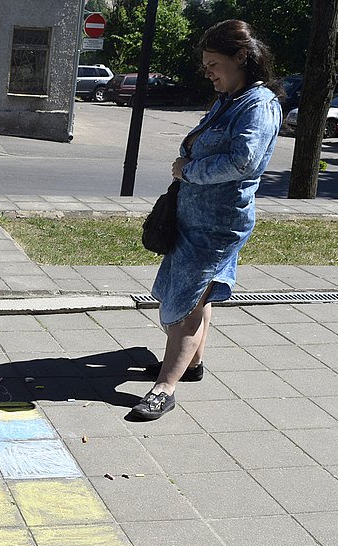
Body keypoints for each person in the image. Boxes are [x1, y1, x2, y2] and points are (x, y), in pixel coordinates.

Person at [130, 19, 281, 420]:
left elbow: (243, 161)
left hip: (218, 224)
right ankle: (192, 364)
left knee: (186, 303)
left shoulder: (258, 105)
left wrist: (189, 171)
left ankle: (165, 388)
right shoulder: (231, 99)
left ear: (241, 57)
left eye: (214, 64)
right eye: (206, 65)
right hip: (195, 219)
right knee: (198, 294)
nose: (208, 72)